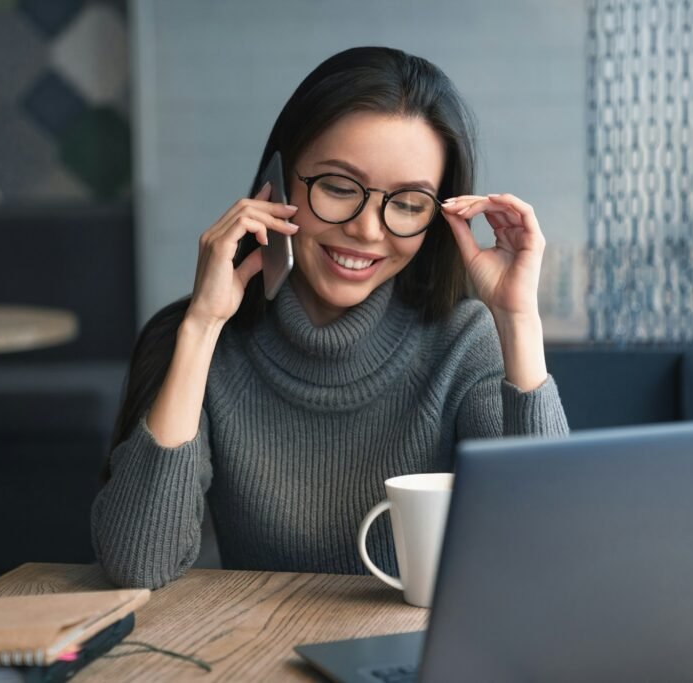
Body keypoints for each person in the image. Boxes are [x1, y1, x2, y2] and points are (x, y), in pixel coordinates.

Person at [92, 46, 570, 589]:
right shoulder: (200, 342)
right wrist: (201, 328)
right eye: (340, 188)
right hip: (254, 657)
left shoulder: (461, 342)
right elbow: (138, 564)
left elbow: (548, 548)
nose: (368, 230)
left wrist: (517, 320)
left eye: (409, 204)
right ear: (277, 179)